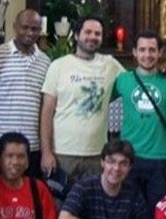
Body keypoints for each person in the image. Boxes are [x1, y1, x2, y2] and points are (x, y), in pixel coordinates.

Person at [40, 15, 125, 184]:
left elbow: (135, 83)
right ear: (77, 35)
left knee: (92, 207)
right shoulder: (59, 65)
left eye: (97, 33)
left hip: (96, 153)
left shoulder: (110, 65)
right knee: (60, 206)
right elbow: (47, 112)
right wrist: (46, 152)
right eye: (88, 32)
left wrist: (162, 69)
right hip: (62, 153)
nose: (93, 37)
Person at [113, 30, 166, 215]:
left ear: (160, 52)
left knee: (158, 212)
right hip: (130, 156)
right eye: (142, 50)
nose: (147, 55)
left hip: (160, 157)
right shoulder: (122, 80)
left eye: (152, 50)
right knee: (128, 210)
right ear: (134, 52)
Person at [0, 9, 51, 179]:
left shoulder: (45, 61)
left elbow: (45, 105)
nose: (29, 33)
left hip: (32, 145)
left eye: (35, 29)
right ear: (14, 27)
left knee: (30, 197)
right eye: (25, 27)